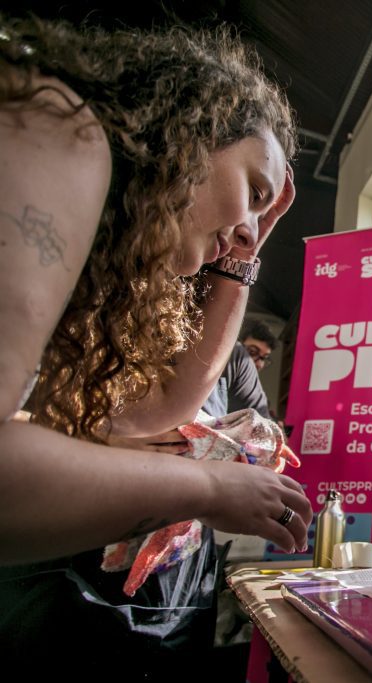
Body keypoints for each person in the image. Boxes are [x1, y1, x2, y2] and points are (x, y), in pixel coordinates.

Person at [0, 14, 313, 675]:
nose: (252, 229)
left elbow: (156, 412)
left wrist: (240, 259)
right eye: (254, 192)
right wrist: (206, 484)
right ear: (192, 132)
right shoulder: (60, 130)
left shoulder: (98, 252)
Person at [202, 320, 278, 419]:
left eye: (264, 358)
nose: (259, 363)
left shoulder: (257, 397)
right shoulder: (235, 353)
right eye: (252, 351)